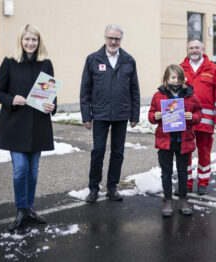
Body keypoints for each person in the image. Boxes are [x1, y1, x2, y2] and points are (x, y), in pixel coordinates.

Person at [0, 24, 56, 231]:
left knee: (33, 171)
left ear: (39, 42)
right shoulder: (9, 63)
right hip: (15, 124)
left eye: (34, 40)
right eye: (27, 39)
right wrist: (12, 99)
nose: (30, 43)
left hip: (38, 124)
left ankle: (29, 209)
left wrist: (52, 106)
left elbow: (51, 95)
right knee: (20, 169)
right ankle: (21, 209)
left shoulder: (46, 64)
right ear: (21, 40)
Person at [80, 24, 140, 204]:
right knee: (98, 151)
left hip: (122, 113)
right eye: (110, 38)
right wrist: (86, 116)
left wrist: (134, 115)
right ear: (105, 38)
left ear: (121, 40)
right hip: (100, 114)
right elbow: (85, 90)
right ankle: (93, 188)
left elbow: (134, 89)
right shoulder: (93, 59)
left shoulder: (129, 60)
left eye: (117, 39)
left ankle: (112, 187)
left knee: (118, 152)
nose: (113, 41)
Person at [148, 64, 201, 216]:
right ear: (165, 79)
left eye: (179, 77)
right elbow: (151, 114)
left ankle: (183, 199)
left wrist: (193, 117)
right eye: (172, 77)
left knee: (183, 171)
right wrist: (155, 116)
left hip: (184, 140)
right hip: (166, 141)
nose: (176, 81)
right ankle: (168, 200)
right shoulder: (158, 96)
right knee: (166, 172)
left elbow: (199, 112)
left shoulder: (190, 94)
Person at [180, 38, 216, 195]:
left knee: (204, 151)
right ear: (187, 50)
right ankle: (186, 182)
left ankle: (203, 182)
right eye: (191, 48)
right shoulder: (180, 69)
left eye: (197, 47)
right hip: (184, 120)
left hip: (205, 121)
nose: (194, 50)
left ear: (203, 49)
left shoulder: (214, 69)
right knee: (185, 152)